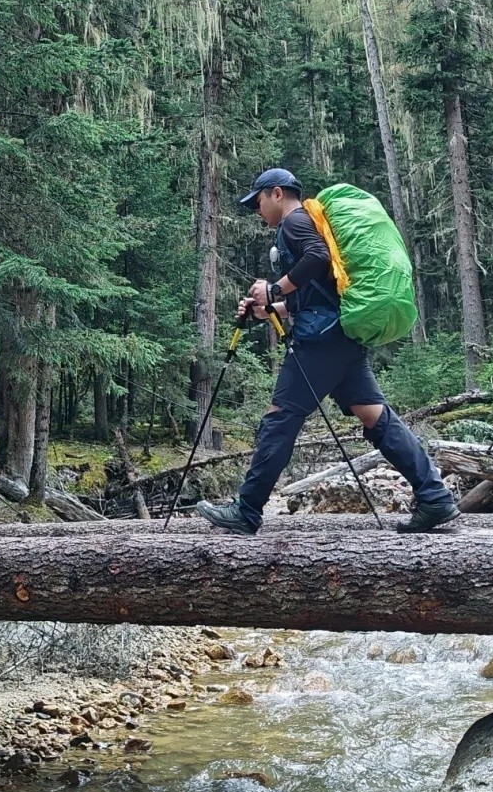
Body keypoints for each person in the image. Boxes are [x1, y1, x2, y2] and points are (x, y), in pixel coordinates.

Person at [195, 167, 459, 535]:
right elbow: (320, 292)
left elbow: (316, 256)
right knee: (374, 415)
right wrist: (270, 310)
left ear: (276, 193)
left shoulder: (294, 221)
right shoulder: (309, 222)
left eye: (257, 202)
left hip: (319, 341)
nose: (257, 212)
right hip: (340, 335)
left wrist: (274, 290)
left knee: (280, 417)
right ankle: (435, 498)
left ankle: (247, 510)